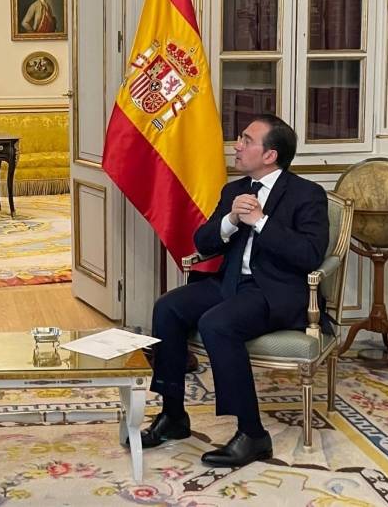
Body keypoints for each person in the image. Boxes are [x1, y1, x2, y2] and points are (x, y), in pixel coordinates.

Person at [140, 114, 328, 467]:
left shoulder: (307, 194)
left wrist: (261, 222)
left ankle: (253, 433)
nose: (237, 146)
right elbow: (203, 242)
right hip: (229, 283)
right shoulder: (234, 190)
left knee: (217, 323)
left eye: (246, 140)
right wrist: (229, 221)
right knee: (167, 308)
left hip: (274, 291)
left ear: (270, 155)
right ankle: (173, 414)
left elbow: (309, 255)